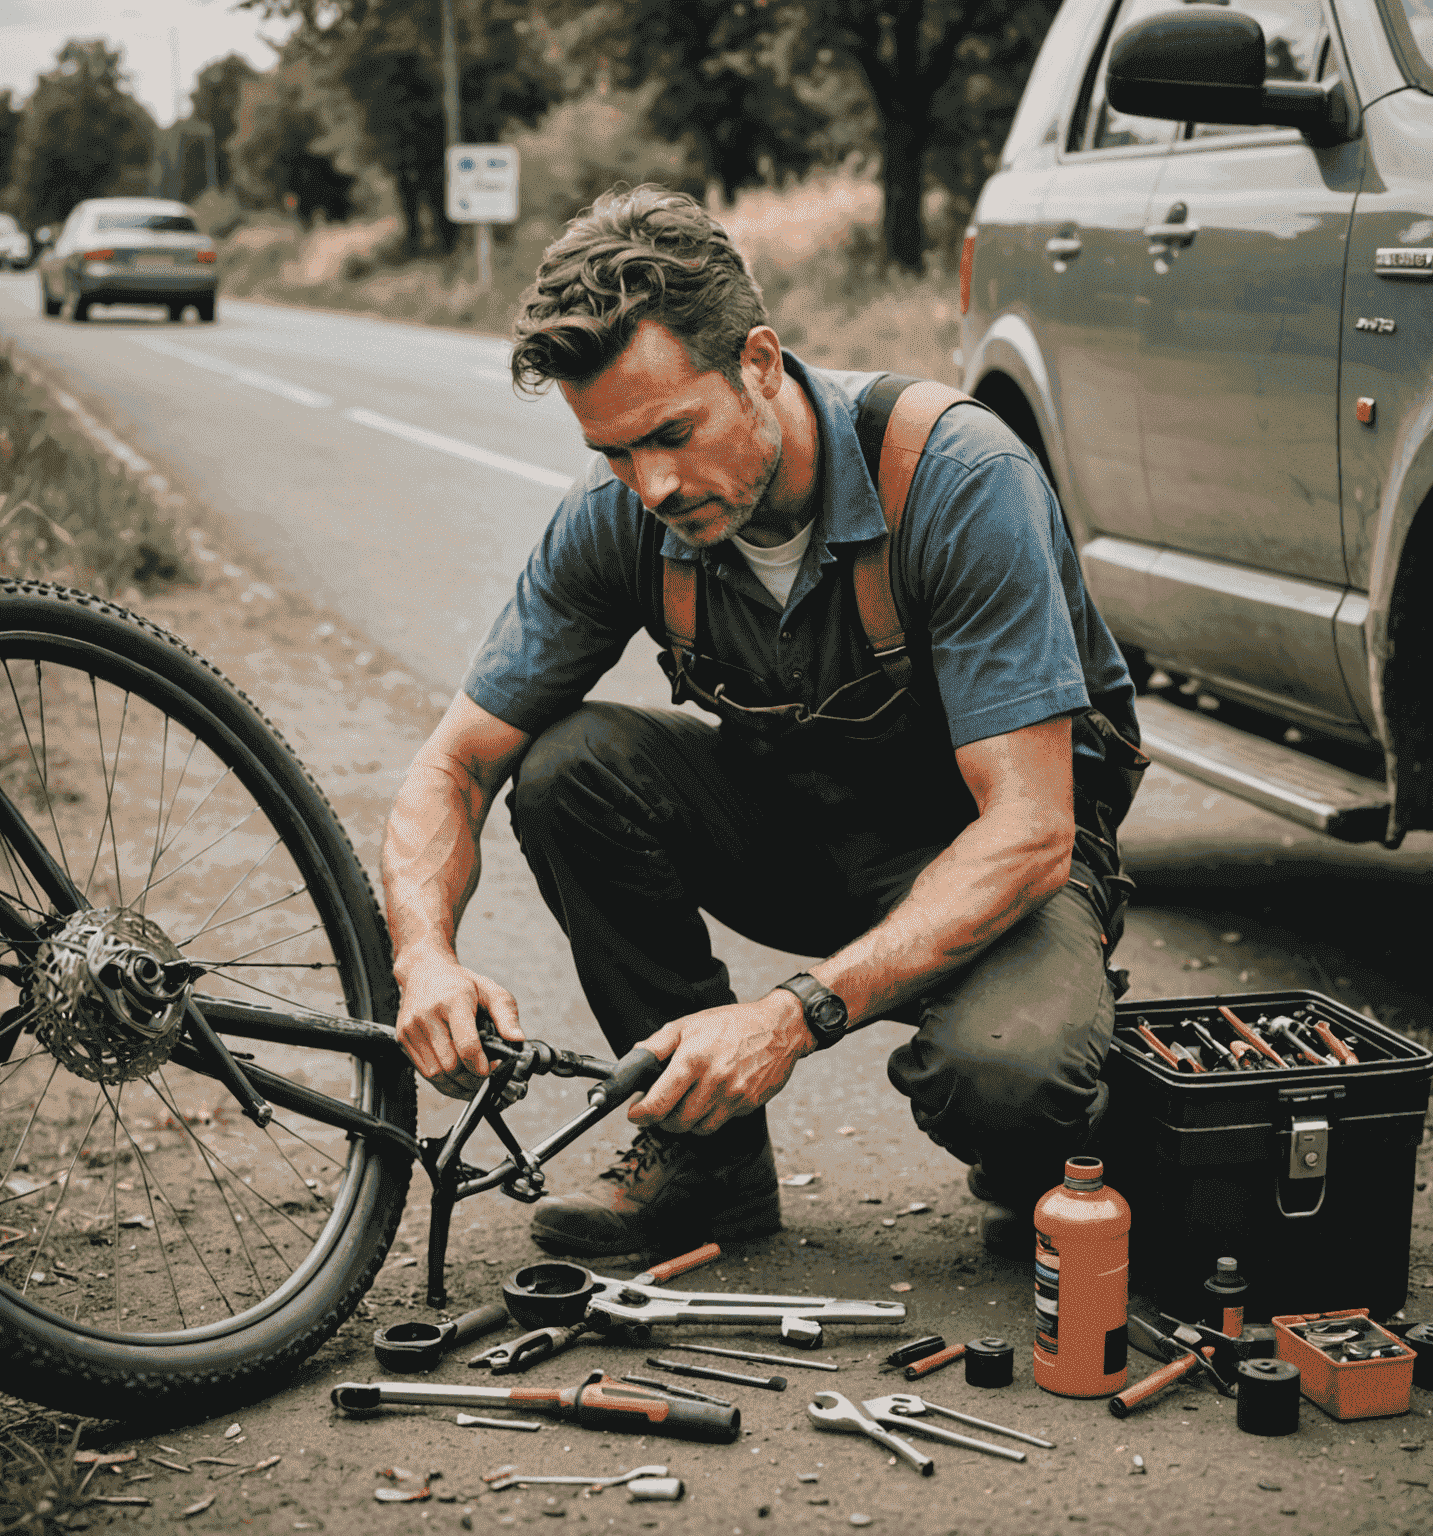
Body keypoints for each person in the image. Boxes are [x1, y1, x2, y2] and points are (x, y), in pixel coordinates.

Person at [380, 184, 1145, 1261]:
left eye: (670, 434)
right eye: (612, 453)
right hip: (800, 837)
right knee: (568, 770)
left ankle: (1066, 1141)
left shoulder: (962, 480)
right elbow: (453, 768)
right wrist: (426, 963)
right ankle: (709, 1164)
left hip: (994, 860)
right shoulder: (619, 523)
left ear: (760, 365)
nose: (648, 484)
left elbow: (1031, 830)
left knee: (1010, 1076)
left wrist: (787, 1019)